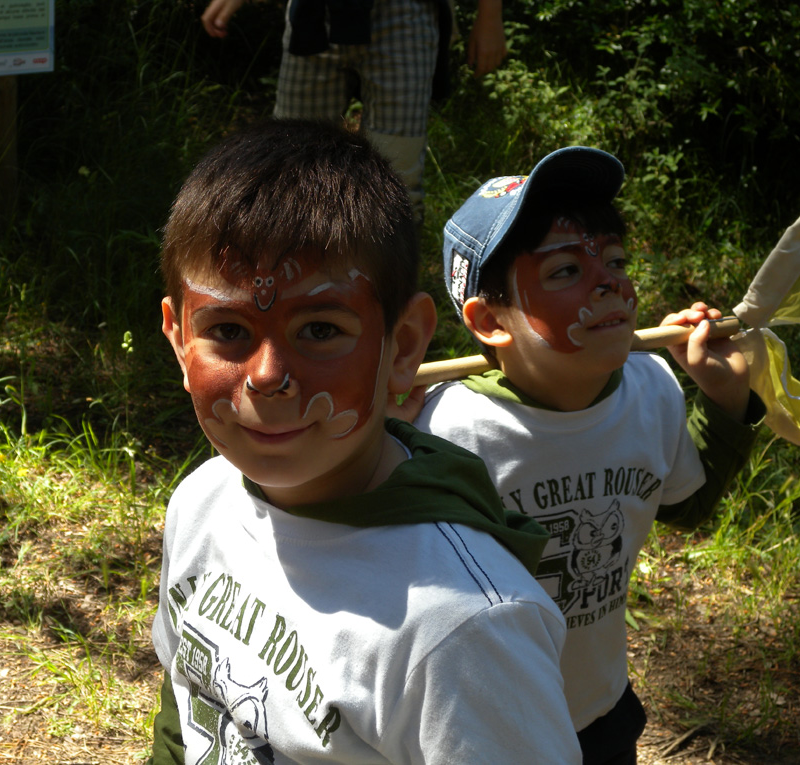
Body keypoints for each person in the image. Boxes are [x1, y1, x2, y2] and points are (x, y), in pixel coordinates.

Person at [149, 118, 581, 764]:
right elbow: (187, 703)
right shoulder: (201, 501)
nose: (267, 376)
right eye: (229, 331)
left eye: (320, 330)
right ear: (180, 341)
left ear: (402, 347)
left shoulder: (462, 628)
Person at [410, 146, 765, 764]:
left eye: (616, 260)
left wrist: (726, 400)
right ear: (490, 321)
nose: (611, 283)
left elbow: (683, 505)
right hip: (479, 722)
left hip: (597, 709)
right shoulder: (446, 430)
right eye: (565, 271)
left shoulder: (652, 388)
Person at [200, 0, 506, 224]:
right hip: (314, 17)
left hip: (404, 17)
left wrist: (490, 14)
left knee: (398, 185)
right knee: (287, 168)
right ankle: (292, 277)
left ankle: (389, 290)